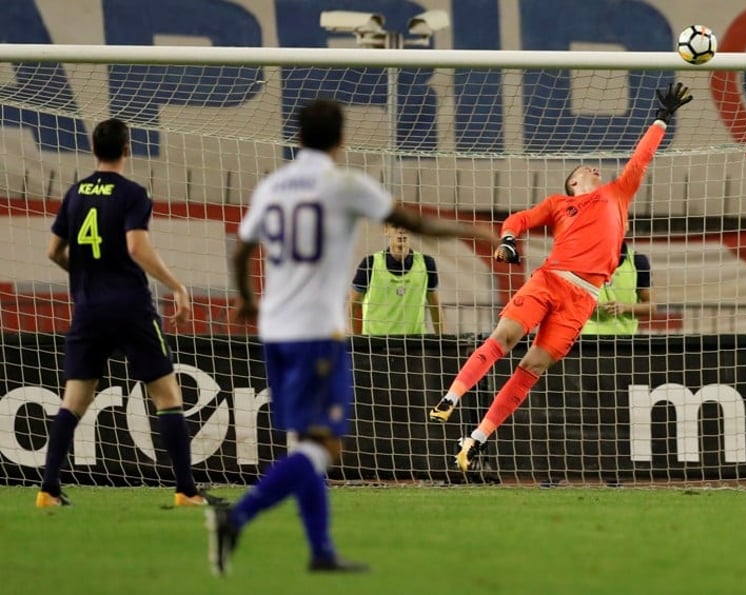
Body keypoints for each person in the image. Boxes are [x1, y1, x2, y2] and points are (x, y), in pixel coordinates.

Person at [207, 99, 495, 575]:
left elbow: (240, 251)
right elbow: (416, 223)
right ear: (341, 140)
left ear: (296, 137)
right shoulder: (344, 184)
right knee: (323, 446)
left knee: (305, 445)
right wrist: (474, 231)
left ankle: (320, 551)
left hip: (275, 330)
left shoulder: (273, 185)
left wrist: (247, 299)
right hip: (316, 332)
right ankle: (236, 516)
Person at [427, 83, 693, 471]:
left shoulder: (617, 194)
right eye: (586, 169)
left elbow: (641, 158)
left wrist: (662, 118)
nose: (594, 169)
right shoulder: (559, 205)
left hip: (583, 299)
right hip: (551, 279)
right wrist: (507, 239)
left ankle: (477, 439)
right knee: (505, 337)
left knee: (532, 366)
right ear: (573, 183)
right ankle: (452, 396)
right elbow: (518, 219)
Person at [38, 118, 210, 508]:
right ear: (127, 149)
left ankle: (48, 489)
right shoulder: (133, 193)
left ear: (94, 149)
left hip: (88, 309)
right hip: (130, 306)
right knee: (167, 395)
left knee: (74, 400)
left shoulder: (75, 193)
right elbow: (136, 247)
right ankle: (185, 489)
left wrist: (85, 275)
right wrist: (177, 285)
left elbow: (53, 252)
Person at [349, 224, 443, 335]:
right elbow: (353, 306)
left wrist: (441, 342)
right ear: (386, 230)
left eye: (405, 225)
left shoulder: (427, 264)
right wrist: (357, 343)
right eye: (395, 225)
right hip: (376, 345)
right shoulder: (370, 263)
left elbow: (435, 306)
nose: (401, 230)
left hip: (414, 345)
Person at [580, 240, 654, 335]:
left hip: (624, 340)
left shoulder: (637, 261)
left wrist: (624, 307)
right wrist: (592, 306)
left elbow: (651, 308)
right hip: (589, 338)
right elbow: (569, 301)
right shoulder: (582, 260)